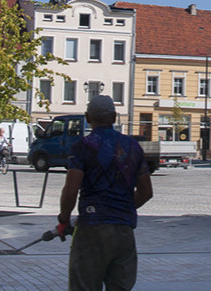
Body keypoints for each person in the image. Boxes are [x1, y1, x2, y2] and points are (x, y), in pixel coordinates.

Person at [58, 95, 153, 291]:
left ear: (87, 117)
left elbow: (71, 190)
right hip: (123, 231)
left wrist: (64, 219)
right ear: (115, 117)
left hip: (92, 228)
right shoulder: (133, 147)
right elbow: (146, 192)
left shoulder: (82, 147)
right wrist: (122, 207)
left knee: (84, 286)